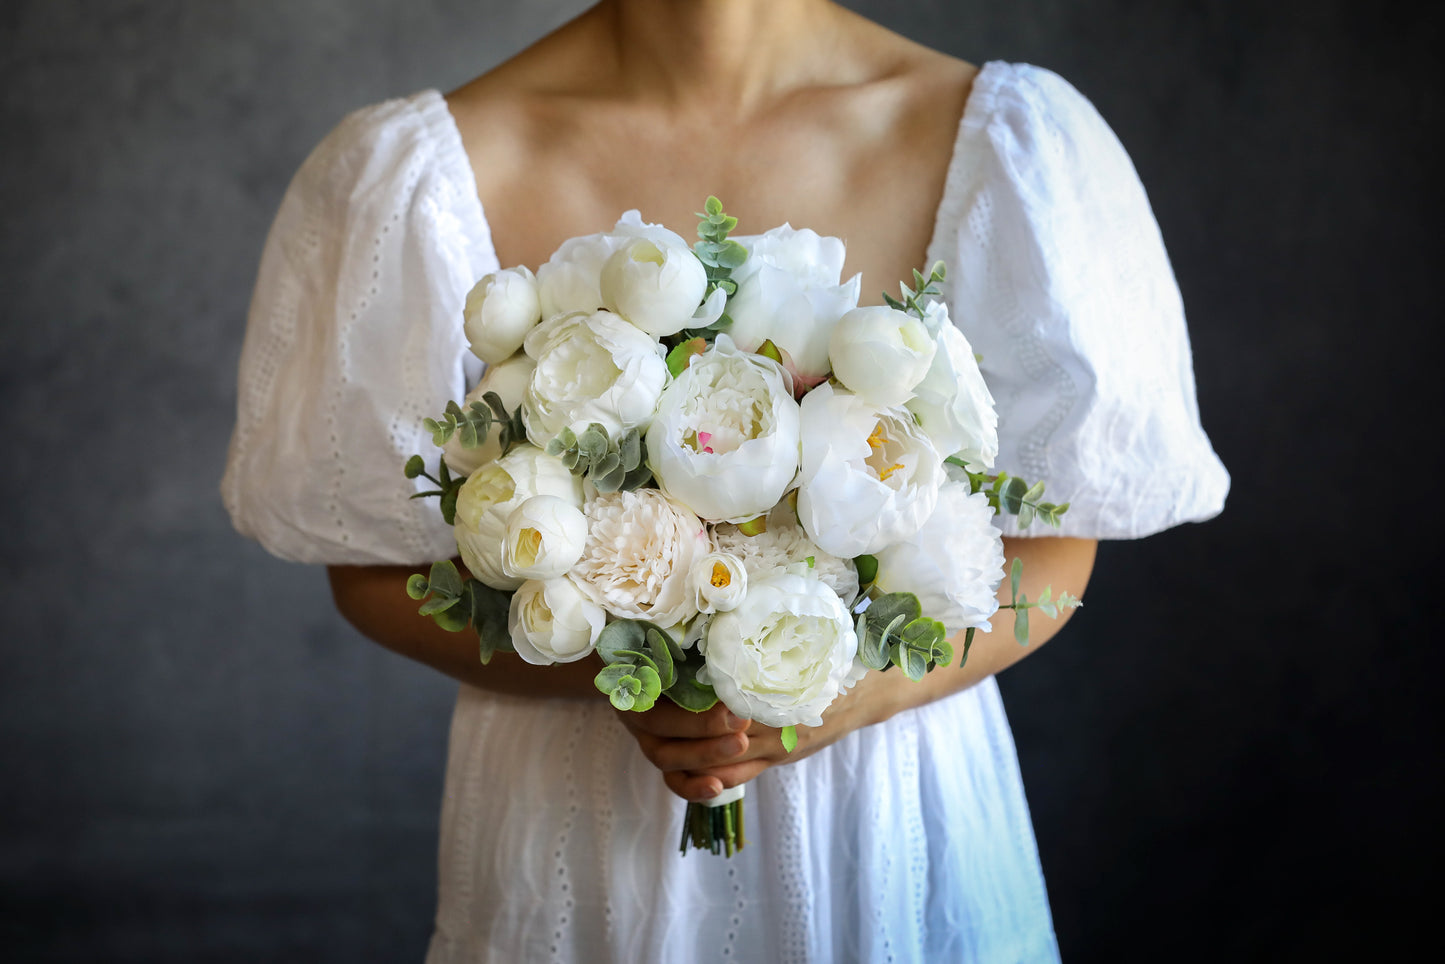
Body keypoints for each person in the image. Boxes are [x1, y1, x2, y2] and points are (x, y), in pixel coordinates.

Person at [222, 0, 1229, 960]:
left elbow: (1059, 542)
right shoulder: (423, 170)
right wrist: (616, 675)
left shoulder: (1005, 140)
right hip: (573, 836)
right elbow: (367, 569)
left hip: (888, 821)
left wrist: (866, 687)